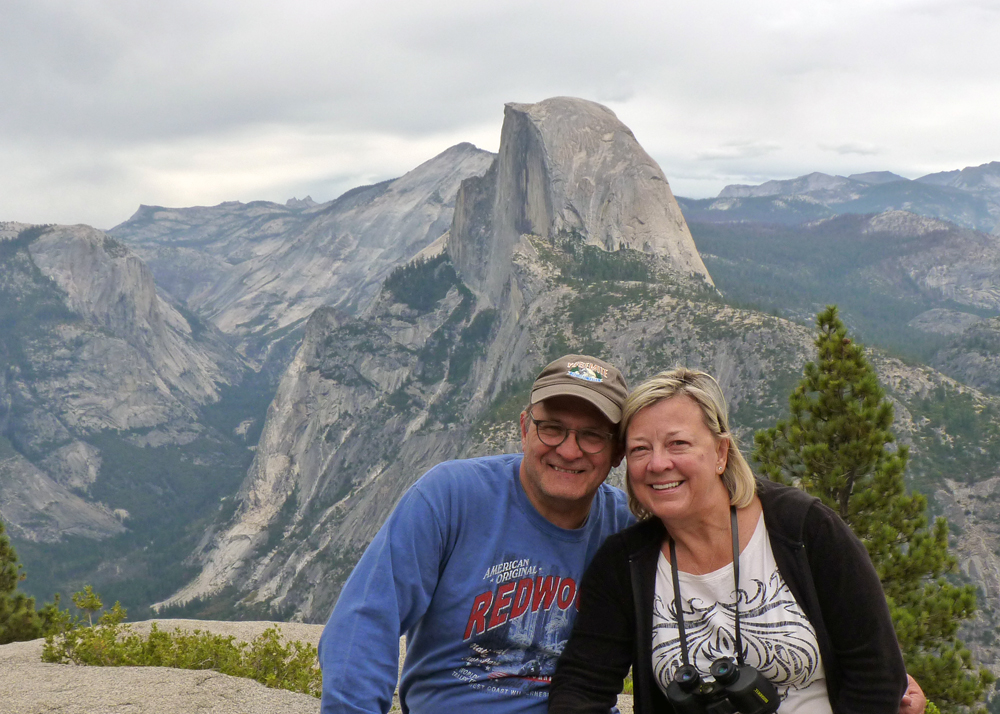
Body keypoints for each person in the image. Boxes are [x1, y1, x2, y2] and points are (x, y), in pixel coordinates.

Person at [549, 367, 910, 714]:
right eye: (641, 449)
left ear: (721, 453)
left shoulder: (802, 530)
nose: (658, 464)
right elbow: (583, 683)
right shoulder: (625, 562)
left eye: (678, 444)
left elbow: (875, 671)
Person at [318, 354, 636, 714]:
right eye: (551, 427)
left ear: (617, 452)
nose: (568, 449)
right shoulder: (451, 496)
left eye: (592, 435)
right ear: (524, 428)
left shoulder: (626, 530)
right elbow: (365, 620)